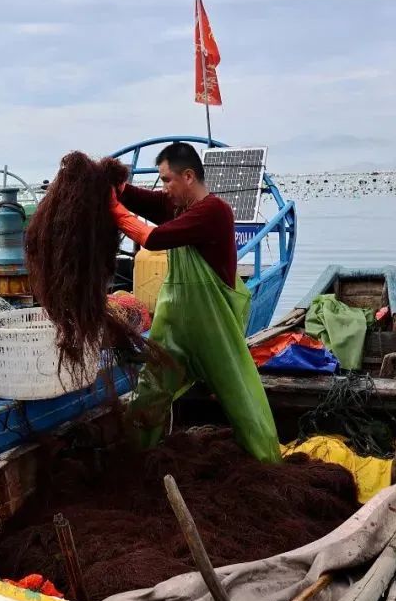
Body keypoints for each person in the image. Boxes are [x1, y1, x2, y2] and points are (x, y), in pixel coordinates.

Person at [110, 142, 281, 462]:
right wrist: (113, 186)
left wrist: (116, 213)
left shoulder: (214, 212)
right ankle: (135, 457)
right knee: (150, 390)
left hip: (213, 327)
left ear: (188, 176)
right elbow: (146, 202)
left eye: (166, 180)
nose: (164, 188)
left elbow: (154, 238)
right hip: (174, 326)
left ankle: (268, 460)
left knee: (240, 396)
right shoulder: (178, 208)